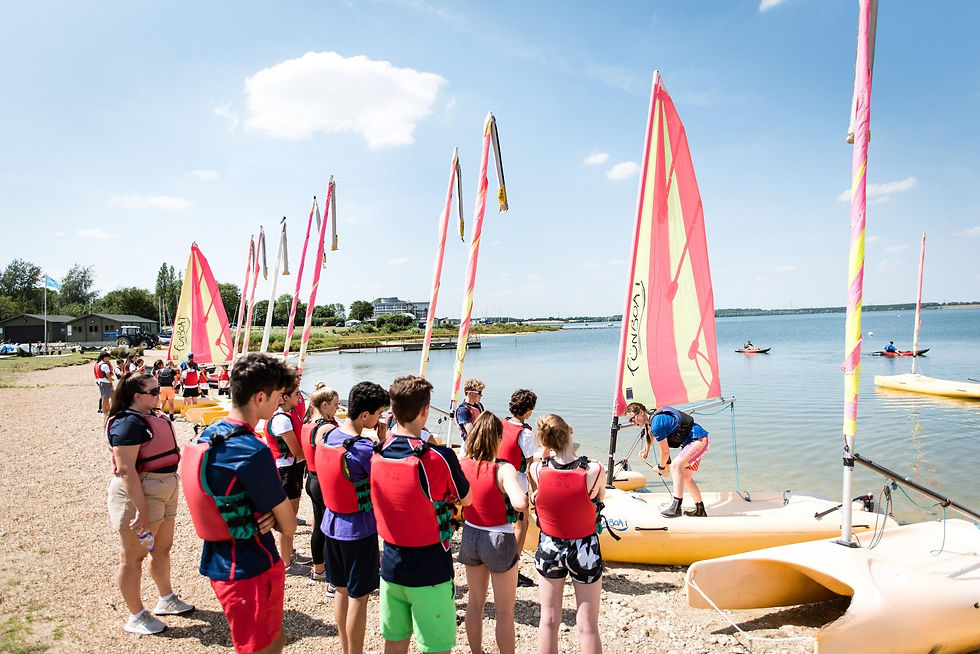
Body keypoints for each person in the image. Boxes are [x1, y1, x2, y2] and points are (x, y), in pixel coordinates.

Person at [181, 352, 298, 654]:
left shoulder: (210, 434)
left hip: (222, 561)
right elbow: (288, 525)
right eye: (277, 396)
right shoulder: (252, 450)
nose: (280, 402)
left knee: (271, 639)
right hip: (252, 566)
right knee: (262, 647)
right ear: (260, 397)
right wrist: (274, 516)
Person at [372, 376, 472, 654]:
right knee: (436, 646)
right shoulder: (438, 457)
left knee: (394, 641)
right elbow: (467, 498)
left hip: (391, 564)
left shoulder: (376, 453)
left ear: (392, 409)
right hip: (430, 567)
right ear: (425, 410)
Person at [106, 372, 193, 635]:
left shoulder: (154, 417)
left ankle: (166, 598)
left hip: (165, 486)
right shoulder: (126, 424)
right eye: (154, 391)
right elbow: (126, 470)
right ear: (136, 396)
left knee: (163, 548)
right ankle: (136, 615)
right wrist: (140, 507)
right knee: (133, 557)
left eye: (159, 390)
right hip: (142, 490)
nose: (160, 394)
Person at [317, 381, 388, 654]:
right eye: (379, 413)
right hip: (358, 530)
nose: (380, 418)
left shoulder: (328, 437)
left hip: (331, 524)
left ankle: (347, 649)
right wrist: (381, 443)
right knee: (360, 596)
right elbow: (384, 479)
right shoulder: (362, 450)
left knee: (341, 589)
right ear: (365, 415)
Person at [528, 414, 604, 654]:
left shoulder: (537, 469)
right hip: (584, 548)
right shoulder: (594, 469)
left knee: (548, 621)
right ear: (570, 430)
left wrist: (545, 452)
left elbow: (541, 490)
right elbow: (599, 500)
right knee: (588, 626)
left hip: (550, 546)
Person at [459, 412, 529, 654]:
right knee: (504, 611)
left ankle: (476, 652)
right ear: (497, 438)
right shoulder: (503, 468)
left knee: (475, 603)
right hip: (498, 538)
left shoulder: (463, 464)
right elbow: (519, 503)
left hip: (470, 536)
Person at [625, 402, 710, 518]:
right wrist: (646, 451)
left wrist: (661, 467)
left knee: (675, 466)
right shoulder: (652, 418)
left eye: (633, 419)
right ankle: (700, 509)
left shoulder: (657, 424)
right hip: (696, 441)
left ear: (640, 412)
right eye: (630, 421)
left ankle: (676, 507)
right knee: (686, 477)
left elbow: (665, 452)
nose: (633, 423)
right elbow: (650, 434)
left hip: (698, 441)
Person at [261, 381, 310, 575]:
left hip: (292, 468)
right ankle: (287, 563)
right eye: (297, 394)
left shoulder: (288, 416)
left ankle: (289, 553)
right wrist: (316, 455)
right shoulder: (282, 419)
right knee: (287, 519)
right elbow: (296, 451)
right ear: (285, 398)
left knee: (291, 515)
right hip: (286, 471)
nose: (300, 397)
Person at [300, 383, 340, 584]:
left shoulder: (306, 424)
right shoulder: (326, 427)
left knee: (319, 525)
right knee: (330, 527)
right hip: (323, 480)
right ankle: (332, 573)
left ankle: (319, 569)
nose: (337, 408)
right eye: (335, 404)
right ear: (324, 405)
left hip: (311, 478)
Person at [499, 389, 538, 587]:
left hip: (497, 480)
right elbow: (530, 465)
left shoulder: (500, 423)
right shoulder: (526, 432)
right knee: (522, 523)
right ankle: (513, 567)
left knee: (502, 522)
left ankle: (498, 561)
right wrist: (536, 490)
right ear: (529, 411)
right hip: (517, 483)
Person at [94, 351, 115, 415]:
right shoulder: (104, 365)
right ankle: (104, 411)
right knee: (105, 397)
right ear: (105, 357)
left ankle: (107, 410)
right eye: (108, 357)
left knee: (105, 397)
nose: (109, 359)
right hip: (105, 381)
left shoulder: (97, 364)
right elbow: (108, 375)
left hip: (100, 381)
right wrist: (111, 381)